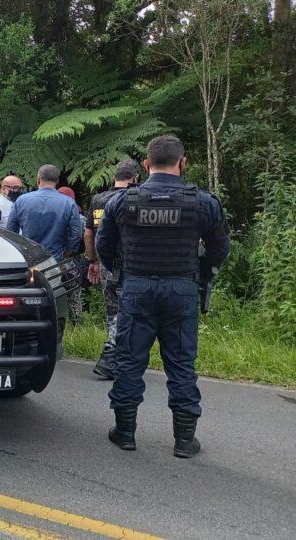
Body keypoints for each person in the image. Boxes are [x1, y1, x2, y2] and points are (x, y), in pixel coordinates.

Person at [96, 135, 229, 458]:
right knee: (181, 364)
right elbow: (220, 249)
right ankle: (184, 440)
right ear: (182, 163)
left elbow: (103, 246)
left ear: (146, 165)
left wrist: (119, 270)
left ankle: (125, 432)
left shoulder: (122, 201)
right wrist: (203, 272)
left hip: (137, 288)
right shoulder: (203, 202)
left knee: (128, 361)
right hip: (181, 289)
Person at [85, 160, 139, 380]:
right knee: (128, 312)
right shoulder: (134, 198)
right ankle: (113, 357)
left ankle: (115, 358)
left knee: (112, 312)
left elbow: (89, 233)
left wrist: (93, 261)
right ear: (135, 177)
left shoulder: (97, 200)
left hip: (106, 263)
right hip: (129, 263)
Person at [6, 164, 83, 263]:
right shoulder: (68, 203)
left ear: (38, 179)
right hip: (55, 260)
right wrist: (67, 253)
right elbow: (76, 234)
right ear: (57, 181)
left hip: (28, 259)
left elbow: (11, 232)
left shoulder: (21, 200)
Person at [57, 186, 85, 325]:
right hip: (72, 259)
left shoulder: (54, 215)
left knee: (54, 291)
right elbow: (83, 236)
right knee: (74, 293)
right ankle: (77, 322)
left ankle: (56, 321)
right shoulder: (81, 218)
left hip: (53, 260)